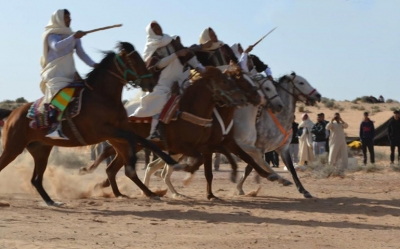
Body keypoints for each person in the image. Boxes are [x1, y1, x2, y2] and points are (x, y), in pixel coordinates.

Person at [132, 21, 206, 140]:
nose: (158, 29)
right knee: (160, 100)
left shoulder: (172, 40)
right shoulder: (150, 47)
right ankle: (154, 131)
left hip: (180, 78)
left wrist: (199, 67)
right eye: (154, 29)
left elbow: (188, 55)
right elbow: (157, 65)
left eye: (158, 26)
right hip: (162, 83)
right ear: (150, 32)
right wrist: (176, 54)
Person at [40, 9, 97, 140]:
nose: (69, 20)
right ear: (58, 19)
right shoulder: (51, 35)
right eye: (66, 18)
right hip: (55, 73)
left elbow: (82, 54)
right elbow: (56, 46)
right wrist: (74, 37)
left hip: (69, 71)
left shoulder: (73, 36)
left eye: (69, 18)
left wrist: (94, 65)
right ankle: (54, 126)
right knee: (62, 93)